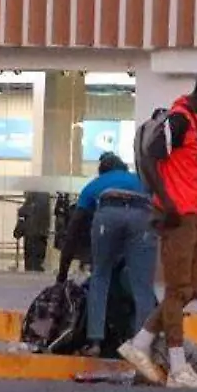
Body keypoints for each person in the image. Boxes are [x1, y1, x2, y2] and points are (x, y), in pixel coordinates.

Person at [116, 65, 197, 391]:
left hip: (192, 214)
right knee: (176, 289)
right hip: (176, 214)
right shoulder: (179, 119)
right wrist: (165, 202)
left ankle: (139, 343)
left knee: (192, 288)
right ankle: (179, 368)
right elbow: (151, 157)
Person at [76, 152, 158, 357]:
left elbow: (75, 226)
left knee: (100, 276)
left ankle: (95, 343)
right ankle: (142, 347)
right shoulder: (137, 180)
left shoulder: (96, 184)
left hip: (108, 213)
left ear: (102, 170)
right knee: (143, 286)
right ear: (123, 168)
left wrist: (64, 266)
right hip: (142, 214)